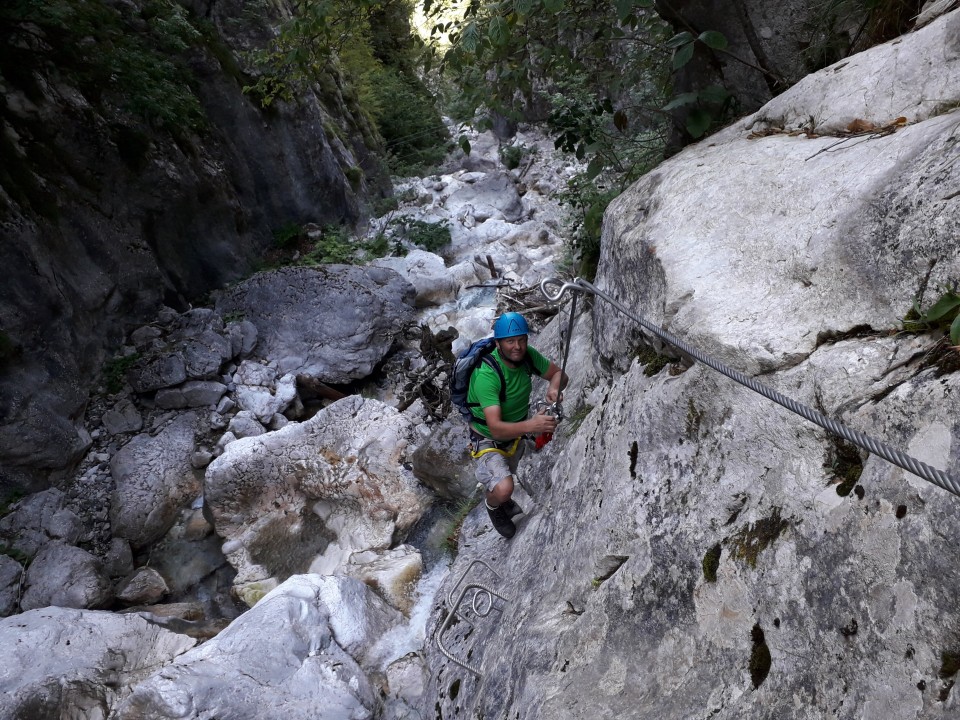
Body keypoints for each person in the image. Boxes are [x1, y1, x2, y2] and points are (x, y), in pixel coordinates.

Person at [467, 311, 569, 538]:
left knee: (508, 473)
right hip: (487, 437)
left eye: (522, 340)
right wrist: (532, 425)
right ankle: (493, 506)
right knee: (504, 488)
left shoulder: (527, 357)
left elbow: (559, 374)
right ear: (498, 344)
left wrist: (554, 387)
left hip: (516, 429)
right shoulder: (487, 375)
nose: (518, 346)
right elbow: (495, 427)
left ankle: (501, 499)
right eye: (510, 341)